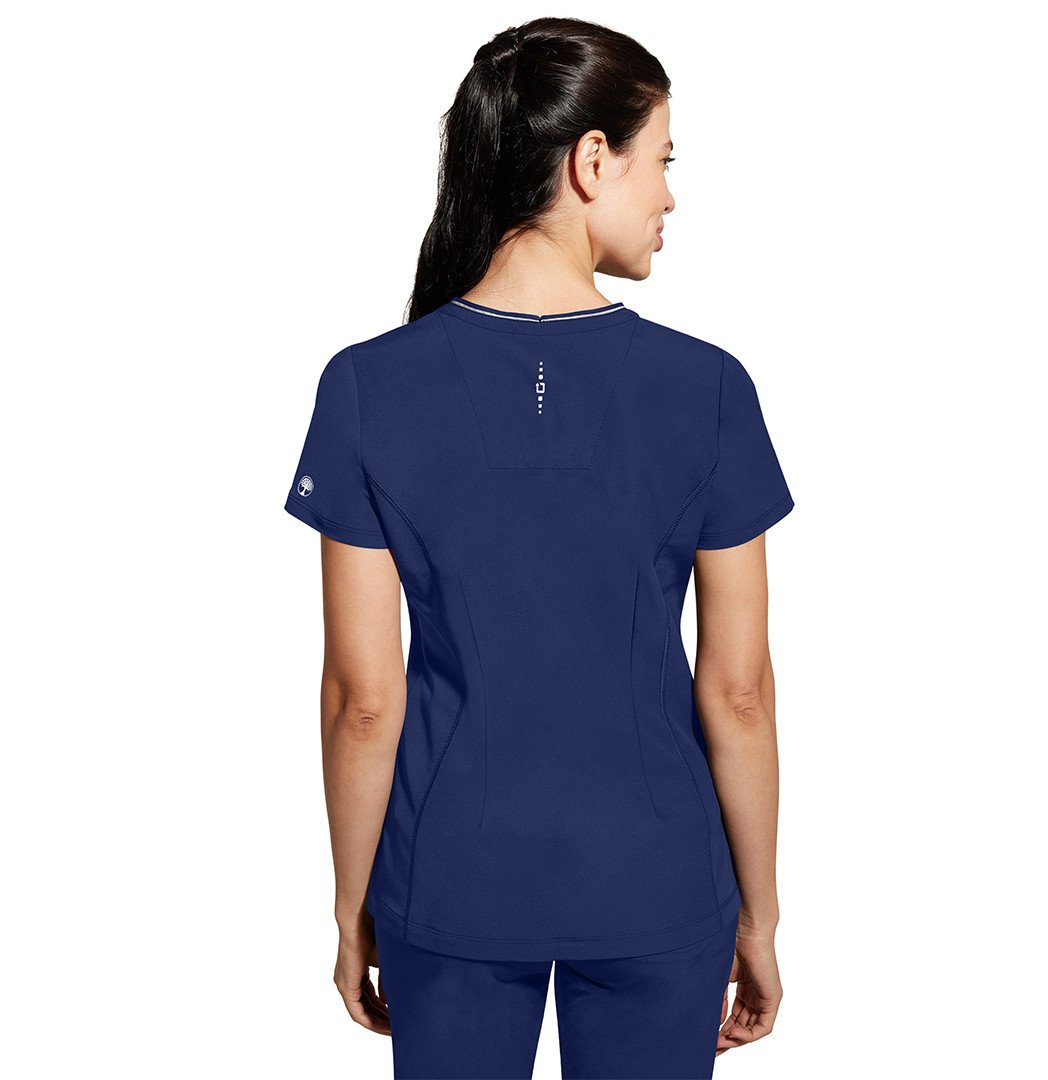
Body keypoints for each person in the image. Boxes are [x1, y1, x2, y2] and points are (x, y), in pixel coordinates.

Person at [283, 16, 794, 1080]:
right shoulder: (708, 389)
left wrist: (352, 902)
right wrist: (760, 911)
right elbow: (738, 691)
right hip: (659, 882)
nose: (670, 197)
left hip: (448, 881)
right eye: (664, 160)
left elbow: (363, 699)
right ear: (592, 159)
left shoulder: (366, 386)